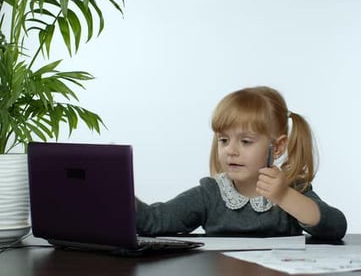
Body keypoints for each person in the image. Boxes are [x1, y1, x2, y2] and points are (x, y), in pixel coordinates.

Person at [136, 86, 347, 240]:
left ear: (279, 146)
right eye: (224, 140)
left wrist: (284, 196)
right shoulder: (210, 194)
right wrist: (113, 190)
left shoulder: (292, 189)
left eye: (246, 141)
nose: (231, 150)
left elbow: (336, 227)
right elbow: (154, 221)